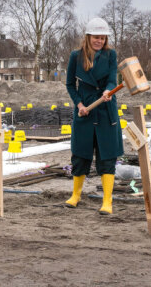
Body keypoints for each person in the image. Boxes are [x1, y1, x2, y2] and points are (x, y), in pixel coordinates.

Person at [63, 18, 125, 215]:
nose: (99, 41)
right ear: (88, 37)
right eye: (96, 37)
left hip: (105, 109)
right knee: (80, 155)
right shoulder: (76, 56)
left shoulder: (110, 55)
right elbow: (70, 85)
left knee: (107, 156)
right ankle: (76, 195)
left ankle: (107, 200)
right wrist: (79, 104)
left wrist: (108, 91)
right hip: (85, 109)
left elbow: (112, 78)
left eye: (102, 38)